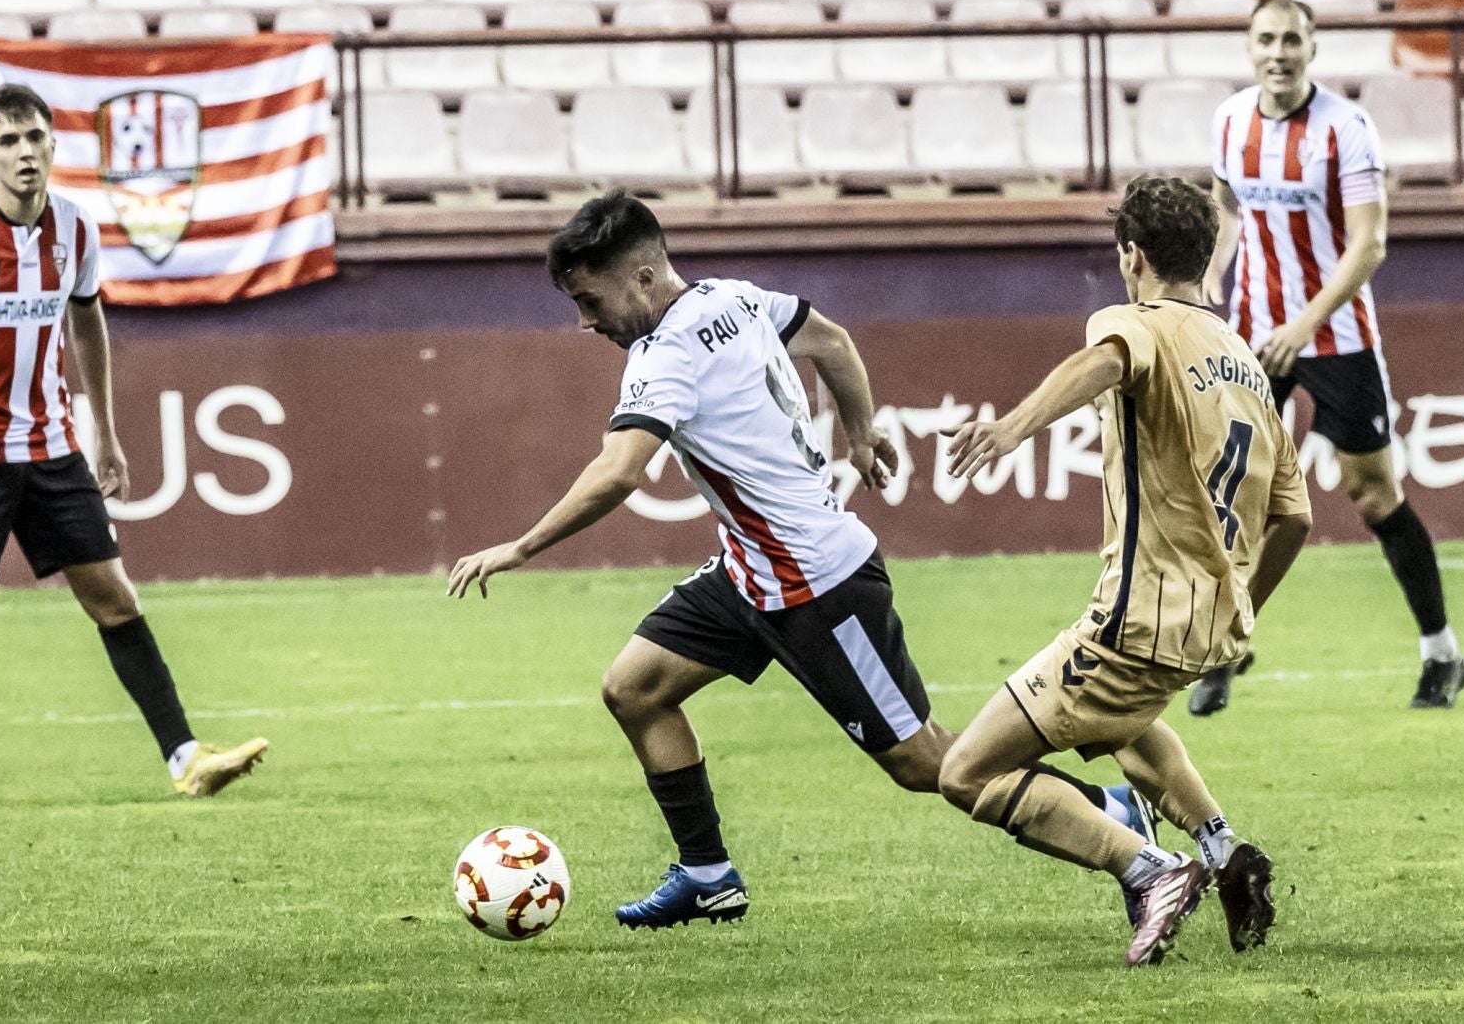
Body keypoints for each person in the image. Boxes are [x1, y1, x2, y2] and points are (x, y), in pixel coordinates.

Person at [446, 191, 1150, 930]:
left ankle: (1114, 816)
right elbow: (834, 340)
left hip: (818, 584)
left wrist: (520, 546)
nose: (586, 323)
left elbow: (620, 471)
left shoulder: (666, 353)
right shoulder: (734, 297)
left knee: (932, 766)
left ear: (645, 277)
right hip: (752, 570)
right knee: (634, 687)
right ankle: (707, 873)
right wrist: (861, 431)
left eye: (590, 300)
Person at [0, 83, 268, 810]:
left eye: (36, 138)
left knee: (114, 595)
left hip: (52, 444)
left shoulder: (76, 229)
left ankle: (186, 758)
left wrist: (103, 430)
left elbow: (88, 325)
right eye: (9, 142)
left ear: (53, 147)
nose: (24, 153)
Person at [938, 176, 1311, 967]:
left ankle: (1148, 869)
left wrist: (1012, 428)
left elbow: (1107, 360)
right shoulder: (1244, 358)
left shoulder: (1135, 320)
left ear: (1133, 255)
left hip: (1133, 621)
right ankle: (1221, 849)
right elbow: (1296, 515)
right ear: (1207, 257)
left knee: (965, 772)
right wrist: (1243, 607)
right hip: (1207, 628)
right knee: (1122, 720)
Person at [1198, 0, 1464, 715]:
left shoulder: (1346, 129)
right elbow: (1227, 205)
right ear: (1249, 47)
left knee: (1373, 495)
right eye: (1266, 38)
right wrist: (1214, 269)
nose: (1279, 51)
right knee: (1236, 492)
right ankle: (1228, 647)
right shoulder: (1229, 120)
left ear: (1311, 49)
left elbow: (1368, 243)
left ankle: (1441, 650)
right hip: (1255, 334)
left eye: (1292, 39)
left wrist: (1303, 322)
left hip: (1337, 337)